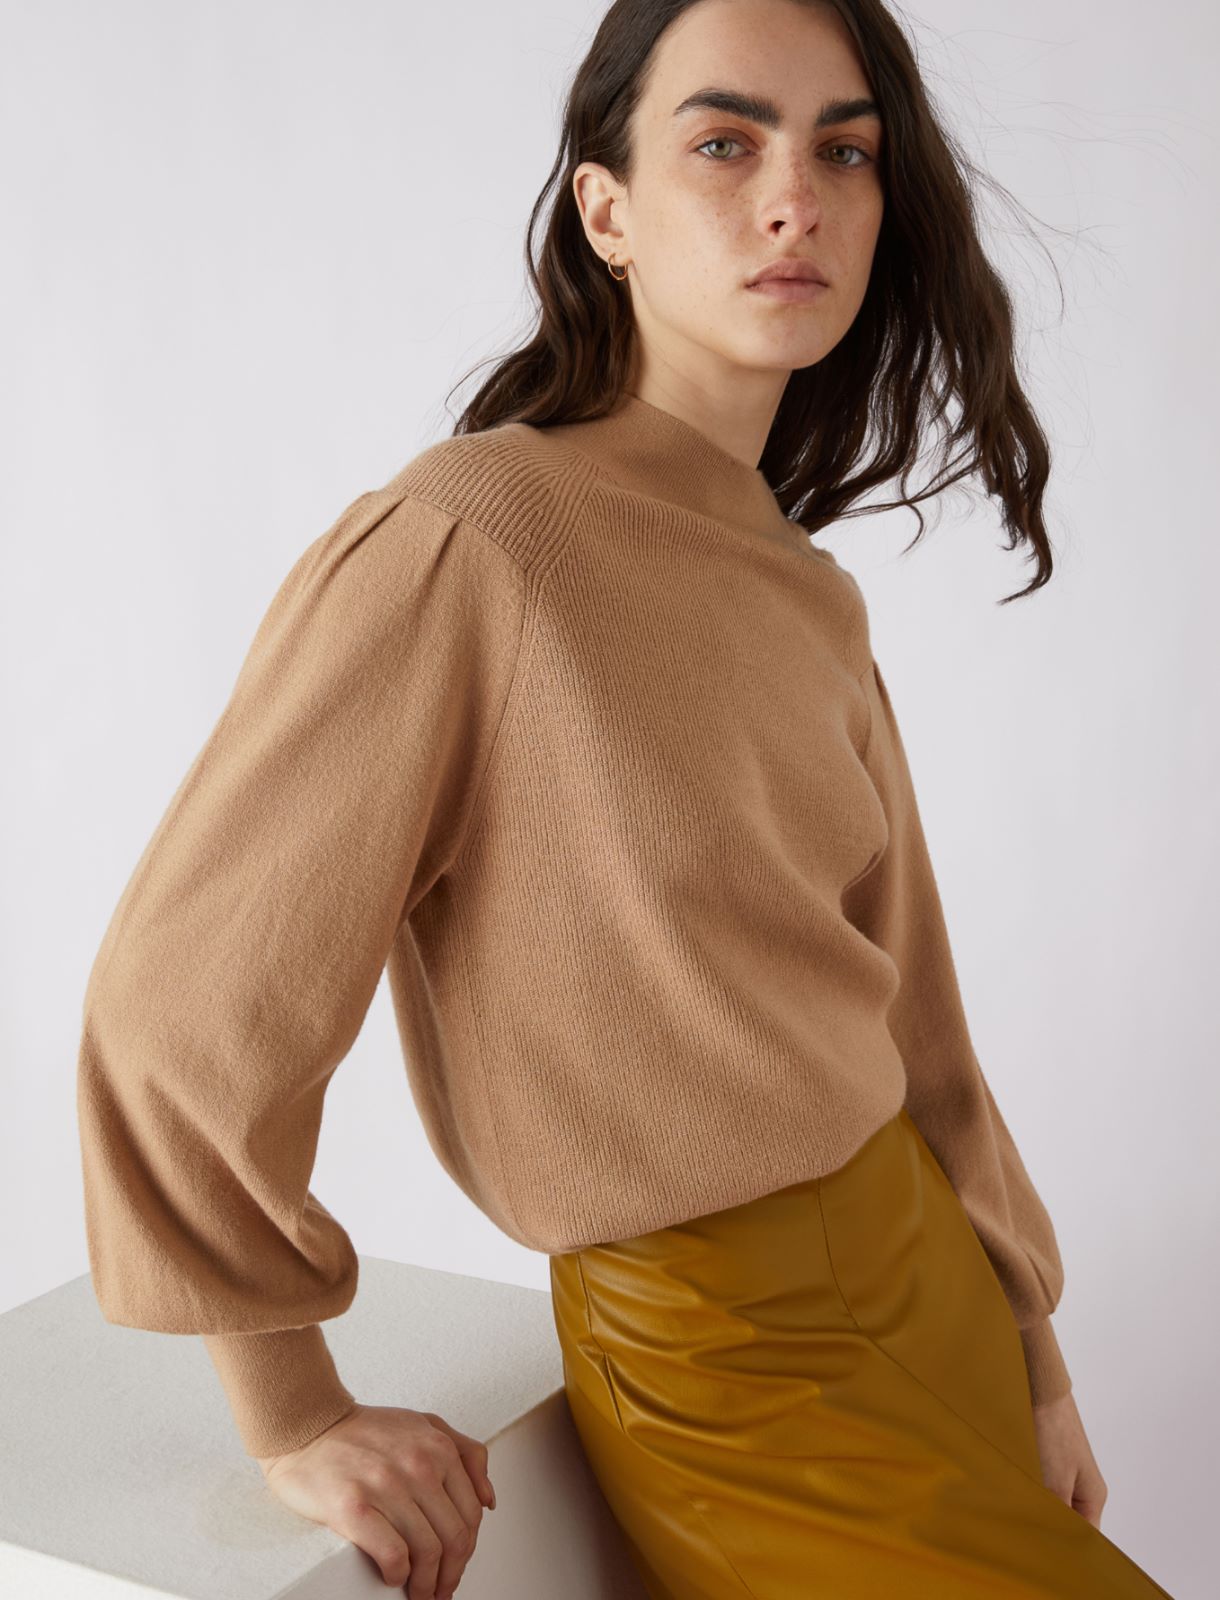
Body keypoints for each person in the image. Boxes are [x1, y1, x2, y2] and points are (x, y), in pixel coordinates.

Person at [74, 1, 1177, 1597]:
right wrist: (289, 1406)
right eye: (725, 143)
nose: (794, 198)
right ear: (608, 212)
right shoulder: (473, 539)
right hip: (727, 1367)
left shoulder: (804, 592)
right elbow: (187, 996)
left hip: (925, 1278)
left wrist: (1033, 1347)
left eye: (845, 152)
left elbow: (913, 1010)